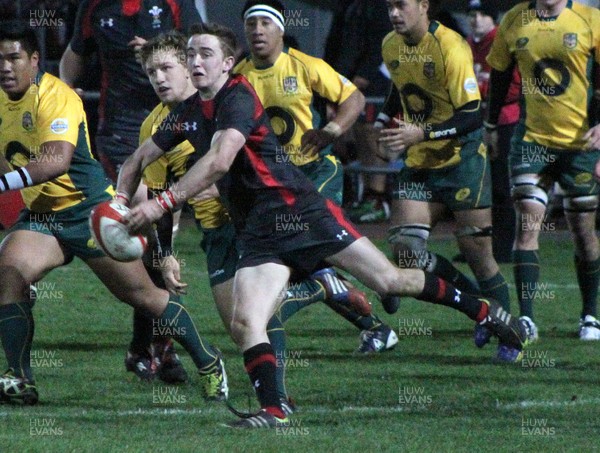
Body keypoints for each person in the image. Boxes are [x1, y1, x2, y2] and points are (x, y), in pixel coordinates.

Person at [116, 21, 530, 428]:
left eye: (206, 53)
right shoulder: (186, 113)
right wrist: (118, 205)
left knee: (388, 281)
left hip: (301, 212)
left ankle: (483, 311)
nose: (196, 61)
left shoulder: (237, 96)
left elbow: (220, 160)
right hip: (259, 230)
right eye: (191, 54)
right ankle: (276, 409)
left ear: (228, 63)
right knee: (246, 321)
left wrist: (162, 204)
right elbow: (136, 161)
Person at [135, 29, 378, 412]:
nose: (159, 78)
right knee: (239, 325)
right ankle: (319, 285)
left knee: (256, 316)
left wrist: (210, 190)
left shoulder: (232, 99)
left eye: (167, 67)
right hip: (215, 231)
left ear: (190, 66)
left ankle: (277, 399)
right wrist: (164, 252)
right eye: (151, 72)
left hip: (254, 220)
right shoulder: (158, 125)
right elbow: (154, 185)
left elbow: (242, 163)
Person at [0, 24, 227, 405]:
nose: (5, 67)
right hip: (41, 216)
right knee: (8, 274)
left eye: (13, 58)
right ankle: (20, 379)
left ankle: (208, 361)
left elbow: (55, 161)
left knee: (143, 296)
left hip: (88, 212)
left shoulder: (57, 96)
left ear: (34, 60)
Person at [235, 0, 398, 363]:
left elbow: (353, 97)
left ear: (280, 28)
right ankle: (376, 319)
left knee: (305, 252)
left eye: (265, 22)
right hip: (274, 187)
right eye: (251, 24)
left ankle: (377, 283)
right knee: (310, 259)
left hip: (315, 174)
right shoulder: (238, 76)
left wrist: (332, 130)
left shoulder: (305, 66)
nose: (257, 30)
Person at [376, 0, 520, 361]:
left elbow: (472, 115)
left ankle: (509, 333)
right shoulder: (390, 44)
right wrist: (382, 123)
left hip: (462, 162)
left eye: (402, 5)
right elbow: (399, 88)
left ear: (423, 6)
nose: (394, 13)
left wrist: (419, 134)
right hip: (420, 165)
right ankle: (478, 306)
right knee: (407, 251)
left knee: (480, 257)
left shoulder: (451, 46)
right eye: (390, 6)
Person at [488, 0, 600, 340]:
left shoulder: (590, 19)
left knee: (583, 232)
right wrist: (491, 124)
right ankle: (528, 319)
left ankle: (590, 316)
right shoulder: (514, 20)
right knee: (528, 222)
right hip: (531, 141)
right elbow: (500, 74)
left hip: (579, 144)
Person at [59, 0, 202, 181]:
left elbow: (199, 47)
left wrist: (156, 50)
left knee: (185, 192)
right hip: (121, 123)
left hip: (176, 114)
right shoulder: (94, 6)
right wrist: (66, 87)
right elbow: (75, 51)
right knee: (135, 198)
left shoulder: (175, 3)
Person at [324, 0, 393, 224]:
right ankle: (368, 195)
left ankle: (378, 198)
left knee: (373, 131)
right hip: (346, 81)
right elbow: (337, 44)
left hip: (373, 79)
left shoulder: (381, 6)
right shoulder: (347, 6)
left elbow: (383, 42)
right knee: (360, 132)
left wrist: (365, 74)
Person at [466, 0, 520, 264]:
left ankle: (503, 247)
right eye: (472, 14)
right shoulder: (468, 43)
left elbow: (512, 87)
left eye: (482, 14)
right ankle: (477, 245)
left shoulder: (501, 40)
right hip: (477, 121)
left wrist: (477, 90)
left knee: (501, 185)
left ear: (493, 18)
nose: (475, 19)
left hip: (503, 120)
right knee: (478, 185)